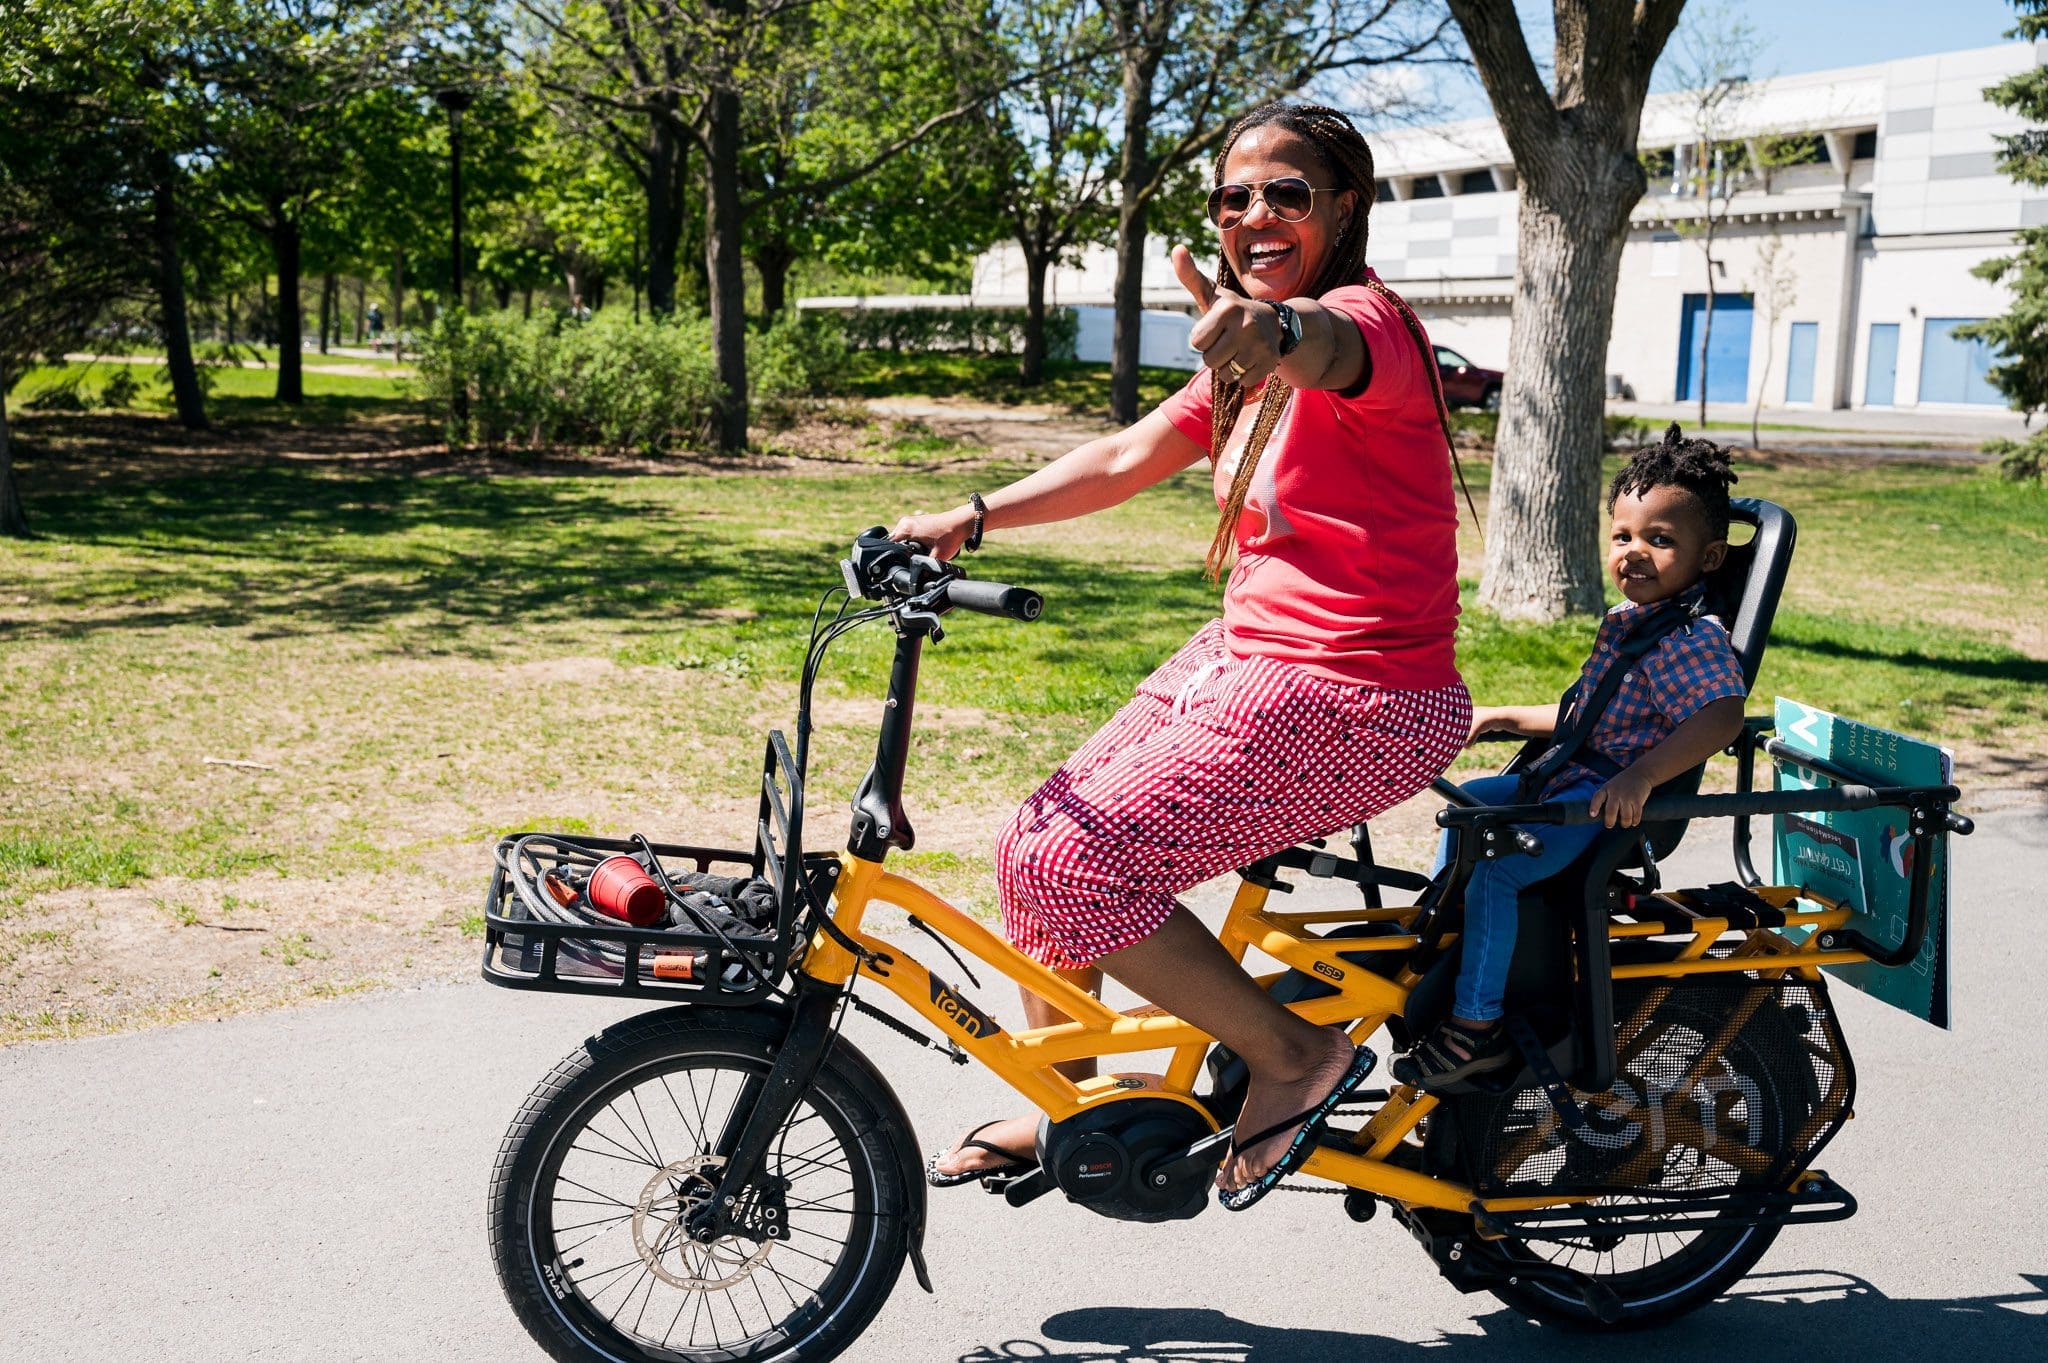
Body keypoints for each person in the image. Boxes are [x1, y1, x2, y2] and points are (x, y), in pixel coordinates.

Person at [894, 102, 1471, 1210]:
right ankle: (1071, 1098)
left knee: (1081, 867)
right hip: (1250, 655)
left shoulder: (1366, 327)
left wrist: (1272, 331)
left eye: (1285, 193)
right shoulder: (1243, 359)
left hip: (1359, 691)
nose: (1254, 214)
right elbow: (1123, 454)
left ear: (1342, 207)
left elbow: (1326, 345)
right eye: (1232, 197)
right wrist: (969, 517)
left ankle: (1293, 1056)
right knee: (1034, 844)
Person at [1391, 427, 1750, 1090]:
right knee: (1469, 809)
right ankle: (1442, 936)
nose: (1634, 553)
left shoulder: (1692, 638)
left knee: (1498, 875)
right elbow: (1589, 714)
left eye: (1660, 539)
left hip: (1600, 804)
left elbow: (1723, 713)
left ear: (1709, 558)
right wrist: (1500, 714)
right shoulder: (1630, 621)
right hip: (1566, 780)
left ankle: (1477, 1023)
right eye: (1623, 536)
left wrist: (1639, 775)